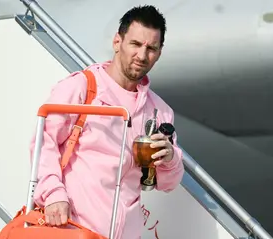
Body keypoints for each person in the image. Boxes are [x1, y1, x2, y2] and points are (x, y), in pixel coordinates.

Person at [30, 4, 184, 239]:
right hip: (72, 229)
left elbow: (168, 184)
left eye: (151, 48)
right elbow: (43, 143)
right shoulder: (82, 88)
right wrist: (53, 194)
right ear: (117, 42)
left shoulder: (160, 112)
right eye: (135, 44)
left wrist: (170, 158)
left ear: (159, 53)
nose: (142, 56)